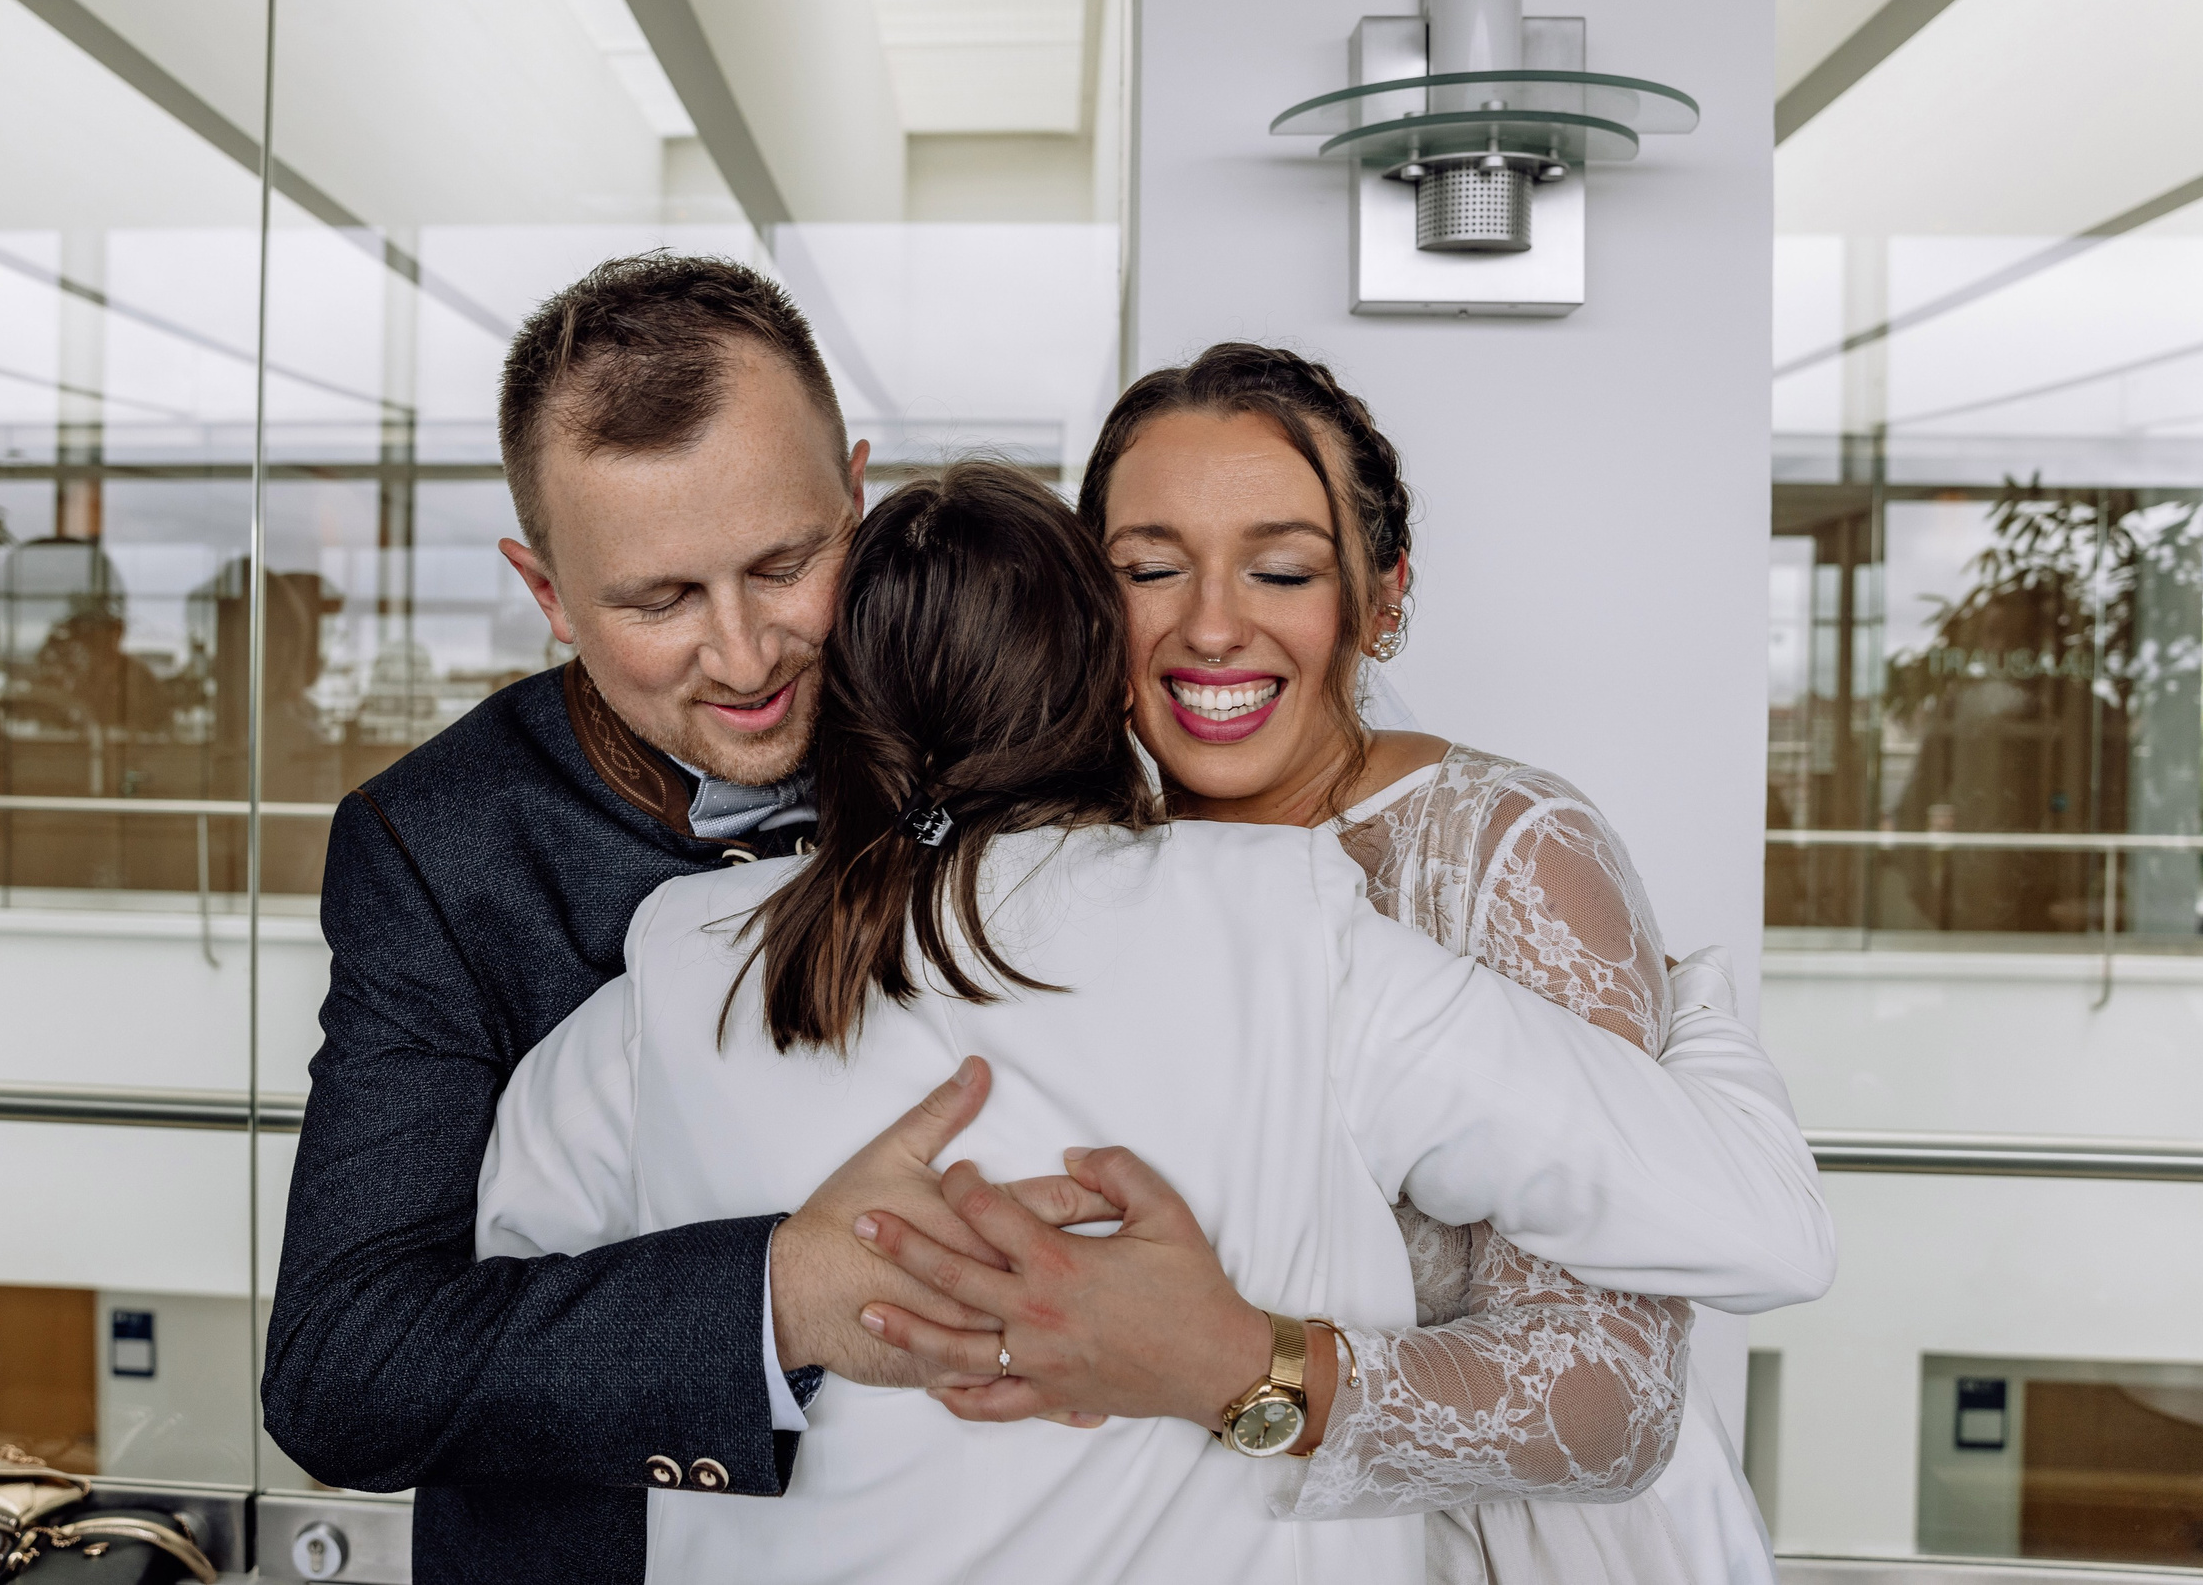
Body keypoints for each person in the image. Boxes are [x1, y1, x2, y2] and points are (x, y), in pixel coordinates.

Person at [475, 464, 1833, 1585]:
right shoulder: (1289, 924)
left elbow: (496, 1346)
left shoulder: (680, 961)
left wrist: (785, 1291)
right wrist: (1692, 996)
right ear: (1105, 679)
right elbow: (1765, 1231)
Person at [858, 346, 1797, 1583]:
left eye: (1283, 570)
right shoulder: (1061, 862)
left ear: (1379, 596)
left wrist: (1231, 1364)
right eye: (1150, 570)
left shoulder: (1504, 847)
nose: (1210, 626)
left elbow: (1612, 1397)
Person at [262, 256, 1048, 1582]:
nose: (745, 657)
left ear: (857, 498)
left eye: (787, 564)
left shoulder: (1003, 712)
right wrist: (779, 1296)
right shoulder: (435, 846)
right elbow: (345, 1371)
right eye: (658, 600)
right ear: (547, 593)